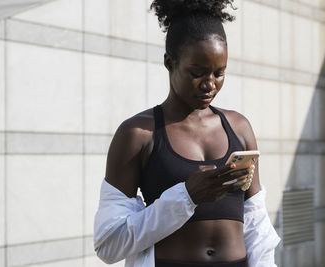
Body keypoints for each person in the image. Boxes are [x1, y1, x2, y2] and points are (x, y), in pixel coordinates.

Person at [93, 1, 280, 266]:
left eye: (219, 73)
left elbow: (257, 223)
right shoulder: (137, 134)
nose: (210, 84)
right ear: (170, 62)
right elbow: (109, 244)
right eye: (197, 73)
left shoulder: (239, 127)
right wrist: (186, 197)